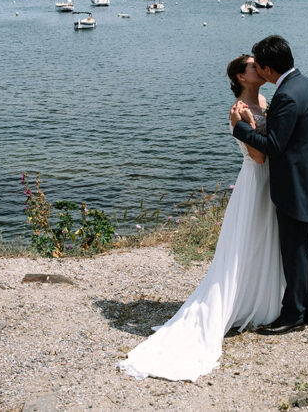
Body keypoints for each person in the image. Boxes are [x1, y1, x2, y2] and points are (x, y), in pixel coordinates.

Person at [117, 55, 284, 381]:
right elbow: (259, 157)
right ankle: (234, 302)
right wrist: (250, 126)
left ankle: (263, 300)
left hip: (270, 185)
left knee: (265, 240)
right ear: (241, 75)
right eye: (253, 66)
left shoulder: (265, 100)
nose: (260, 68)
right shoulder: (238, 109)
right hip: (254, 181)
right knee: (245, 243)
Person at [230, 35, 308, 335]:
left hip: (294, 185)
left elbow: (272, 146)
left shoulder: (285, 96)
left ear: (269, 69)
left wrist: (240, 128)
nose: (258, 71)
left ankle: (293, 316)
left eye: (259, 66)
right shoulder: (307, 84)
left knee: (296, 252)